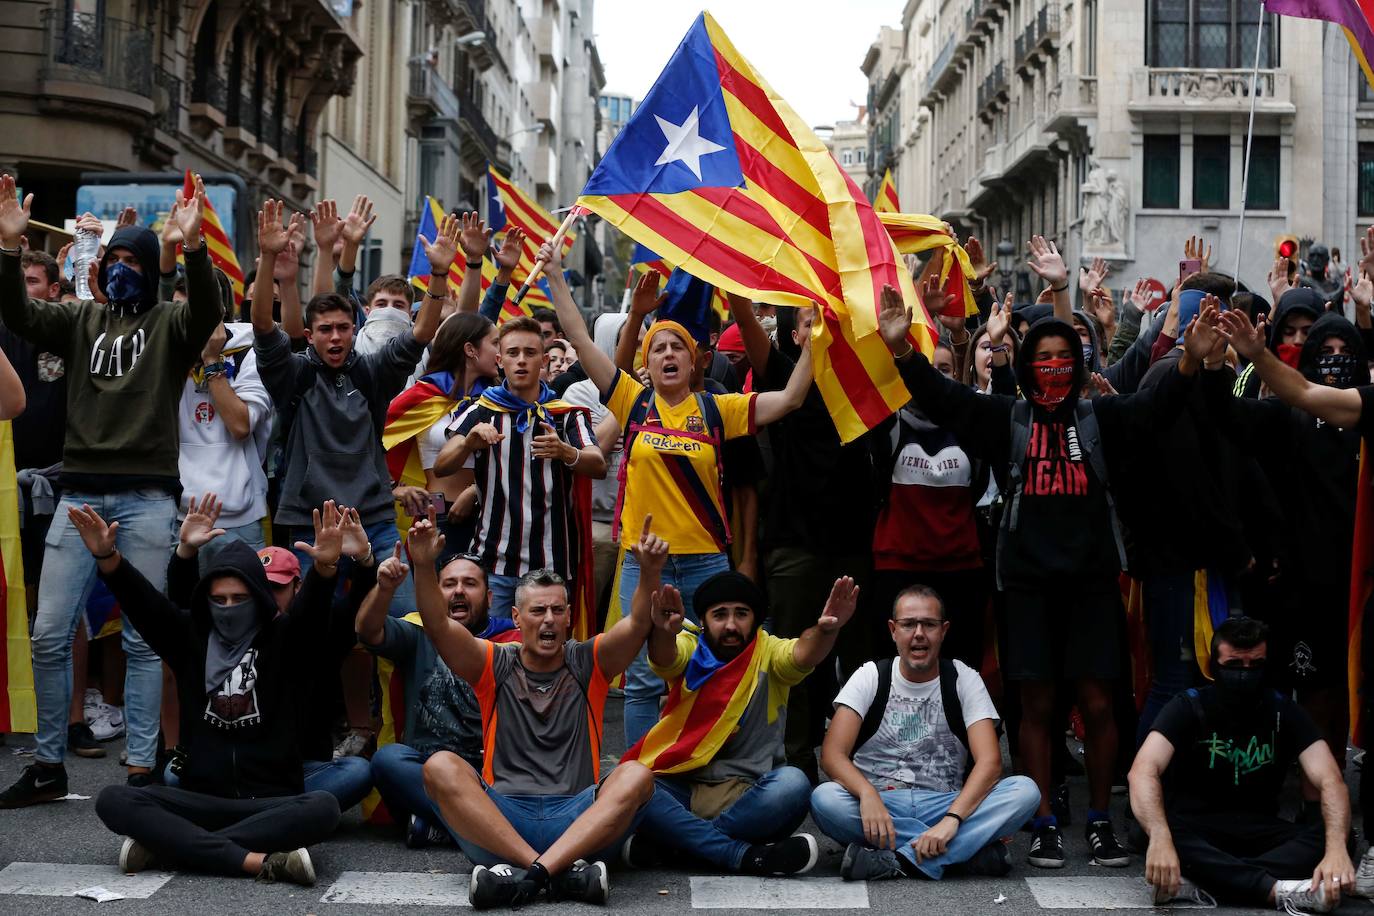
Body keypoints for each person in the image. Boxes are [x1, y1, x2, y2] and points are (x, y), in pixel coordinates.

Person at [875, 277, 1227, 869]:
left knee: (1097, 704)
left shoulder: (1100, 419)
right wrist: (902, 350)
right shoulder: (1005, 419)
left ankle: (1097, 821)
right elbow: (943, 398)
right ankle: (1041, 820)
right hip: (1027, 588)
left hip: (1091, 585)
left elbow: (1153, 409)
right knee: (1033, 708)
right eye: (1043, 359)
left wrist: (1190, 361)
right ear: (1026, 366)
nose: (1055, 368)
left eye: (1066, 358)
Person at [0, 174, 221, 804]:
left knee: (144, 636)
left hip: (148, 500)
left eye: (134, 261)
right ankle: (47, 764)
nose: (123, 270)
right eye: (115, 259)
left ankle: (142, 767)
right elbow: (15, 312)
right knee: (49, 632)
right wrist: (10, 250)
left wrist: (196, 249)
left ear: (152, 272)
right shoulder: (80, 319)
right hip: (77, 497)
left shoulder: (173, 325)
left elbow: (207, 311)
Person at [545, 240, 814, 746]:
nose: (668, 355)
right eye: (659, 349)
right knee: (644, 677)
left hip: (707, 565)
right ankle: (642, 779)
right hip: (641, 563)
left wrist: (818, 337)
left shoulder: (721, 409)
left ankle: (707, 762)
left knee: (713, 665)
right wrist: (556, 275)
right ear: (648, 363)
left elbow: (793, 397)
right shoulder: (632, 400)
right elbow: (579, 339)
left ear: (695, 364)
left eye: (678, 349)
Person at [78, 501, 350, 886]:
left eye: (239, 599)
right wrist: (108, 557)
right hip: (200, 800)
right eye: (218, 600)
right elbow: (144, 604)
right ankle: (256, 860)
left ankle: (170, 848)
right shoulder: (190, 637)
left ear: (259, 597)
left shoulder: (285, 641)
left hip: (270, 802)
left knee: (323, 808)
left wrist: (323, 571)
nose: (228, 608)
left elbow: (311, 617)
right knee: (114, 799)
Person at [414, 509, 657, 909]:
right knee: (439, 765)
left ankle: (525, 878)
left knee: (636, 774)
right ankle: (556, 874)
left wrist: (648, 573)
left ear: (568, 618)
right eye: (538, 610)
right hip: (503, 821)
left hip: (578, 820)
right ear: (516, 617)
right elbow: (438, 626)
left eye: (557, 611)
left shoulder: (589, 661)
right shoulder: (493, 662)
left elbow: (636, 625)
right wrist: (423, 565)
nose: (548, 620)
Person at [251, 200, 446, 614]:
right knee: (312, 632)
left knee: (405, 620)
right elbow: (264, 328)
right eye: (325, 330)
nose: (335, 336)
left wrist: (440, 275)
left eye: (343, 328)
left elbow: (422, 332)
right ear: (309, 334)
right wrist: (269, 259)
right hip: (310, 521)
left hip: (373, 521)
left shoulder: (373, 372)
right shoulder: (296, 376)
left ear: (355, 330)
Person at [622, 560, 859, 876]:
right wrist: (664, 632)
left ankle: (677, 843)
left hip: (748, 795)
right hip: (682, 788)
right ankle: (738, 854)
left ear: (756, 620)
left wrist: (827, 630)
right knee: (620, 783)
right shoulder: (691, 645)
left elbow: (804, 652)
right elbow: (665, 657)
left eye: (741, 614)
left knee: (793, 784)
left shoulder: (769, 652)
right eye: (720, 615)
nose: (731, 625)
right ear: (704, 621)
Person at [162, 495, 378, 812]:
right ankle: (271, 815)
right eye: (257, 587)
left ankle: (243, 813)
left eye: (277, 587)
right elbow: (185, 612)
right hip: (228, 769)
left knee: (358, 772)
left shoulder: (318, 630)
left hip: (296, 772)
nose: (268, 595)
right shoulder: (223, 630)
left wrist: (364, 560)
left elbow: (354, 608)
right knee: (173, 775)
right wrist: (185, 553)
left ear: (298, 586)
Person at [811, 584, 1040, 880]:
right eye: (908, 624)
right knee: (824, 799)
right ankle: (961, 853)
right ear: (893, 630)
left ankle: (896, 860)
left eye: (929, 625)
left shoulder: (964, 679)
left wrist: (951, 820)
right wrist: (867, 794)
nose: (919, 633)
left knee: (1024, 791)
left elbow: (990, 763)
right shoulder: (870, 675)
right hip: (880, 806)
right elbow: (831, 755)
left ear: (943, 631)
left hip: (945, 803)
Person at [1129, 617, 1354, 912]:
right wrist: (1160, 837)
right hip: (1196, 828)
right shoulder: (1188, 706)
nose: (1245, 674)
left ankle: (1208, 881)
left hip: (1257, 829)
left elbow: (1331, 781)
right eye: (1234, 666)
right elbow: (1142, 771)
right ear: (1213, 666)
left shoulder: (1283, 710)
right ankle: (1276, 891)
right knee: (1145, 832)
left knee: (1343, 836)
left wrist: (1336, 849)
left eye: (1255, 666)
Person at [434, 314, 605, 619]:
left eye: (530, 353)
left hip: (551, 564)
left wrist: (567, 453)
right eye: (513, 353)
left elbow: (597, 464)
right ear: (500, 361)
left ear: (543, 360)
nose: (521, 361)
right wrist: (468, 443)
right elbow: (443, 465)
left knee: (548, 652)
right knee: (492, 649)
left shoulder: (565, 414)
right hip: (493, 562)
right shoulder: (482, 410)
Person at [360, 550, 519, 848]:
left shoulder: (514, 642)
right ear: (434, 594)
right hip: (428, 774)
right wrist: (384, 590)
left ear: (489, 597)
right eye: (449, 584)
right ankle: (489, 830)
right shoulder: (417, 633)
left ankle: (445, 828)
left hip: (492, 776)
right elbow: (368, 631)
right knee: (387, 761)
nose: (459, 590)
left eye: (470, 583)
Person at [177, 321, 272, 550]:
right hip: (177, 515)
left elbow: (240, 426)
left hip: (241, 518)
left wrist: (211, 361)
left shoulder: (247, 353)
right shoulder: (167, 354)